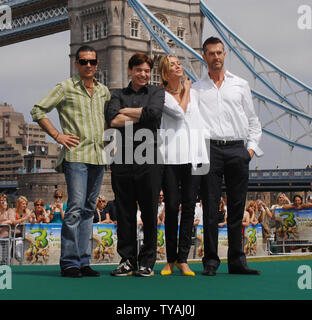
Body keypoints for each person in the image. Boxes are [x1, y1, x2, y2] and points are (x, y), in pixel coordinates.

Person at [31, 45, 111, 278]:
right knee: (75, 208)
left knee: (88, 209)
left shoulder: (104, 91)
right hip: (75, 156)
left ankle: (84, 261)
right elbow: (38, 110)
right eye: (83, 61)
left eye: (92, 62)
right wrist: (57, 135)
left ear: (97, 65)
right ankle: (69, 263)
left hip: (98, 156)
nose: (88, 66)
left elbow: (111, 117)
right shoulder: (65, 87)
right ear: (76, 64)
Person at [192, 36, 263, 276]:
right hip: (209, 149)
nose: (216, 57)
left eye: (220, 53)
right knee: (210, 208)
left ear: (225, 55)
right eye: (211, 53)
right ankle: (210, 262)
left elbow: (253, 121)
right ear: (204, 57)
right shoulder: (196, 89)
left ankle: (237, 261)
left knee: (236, 208)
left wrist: (249, 151)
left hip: (237, 150)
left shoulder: (241, 84)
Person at [106, 52, 164, 277]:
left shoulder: (157, 92)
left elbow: (154, 113)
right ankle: (127, 260)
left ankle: (147, 261)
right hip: (122, 159)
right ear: (130, 71)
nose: (143, 74)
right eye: (139, 70)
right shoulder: (117, 93)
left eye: (147, 71)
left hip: (149, 159)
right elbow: (112, 120)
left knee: (149, 212)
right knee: (125, 212)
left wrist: (125, 112)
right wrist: (142, 115)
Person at [158, 54, 209, 277]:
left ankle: (183, 259)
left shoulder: (197, 94)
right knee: (170, 208)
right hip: (169, 158)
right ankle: (169, 260)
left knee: (189, 207)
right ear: (164, 72)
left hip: (193, 156)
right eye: (172, 65)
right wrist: (187, 88)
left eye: (179, 63)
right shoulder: (161, 95)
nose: (178, 66)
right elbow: (180, 112)